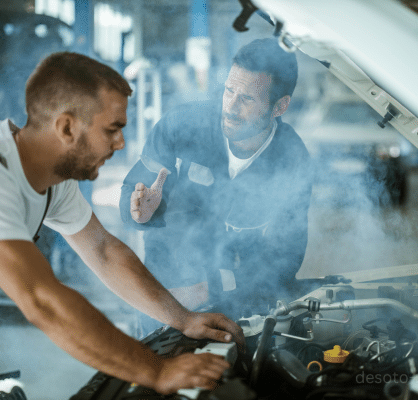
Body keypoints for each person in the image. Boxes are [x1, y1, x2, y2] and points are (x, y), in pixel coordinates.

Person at [0, 52, 244, 398]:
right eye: (113, 129)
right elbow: (41, 300)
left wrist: (182, 318)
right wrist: (157, 370)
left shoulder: (53, 181)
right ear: (66, 127)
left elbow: (104, 251)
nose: (121, 143)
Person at [120, 38, 313, 328]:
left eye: (247, 99)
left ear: (279, 106)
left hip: (240, 301)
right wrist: (140, 213)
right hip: (166, 291)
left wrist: (207, 290)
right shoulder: (183, 125)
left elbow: (285, 257)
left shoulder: (291, 160)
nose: (231, 107)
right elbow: (131, 196)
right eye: (229, 91)